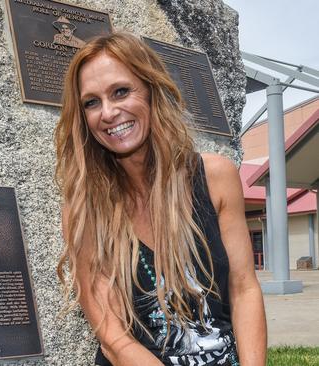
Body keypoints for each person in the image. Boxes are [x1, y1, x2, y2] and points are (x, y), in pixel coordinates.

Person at [54, 32, 266, 365]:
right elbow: (112, 336)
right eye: (91, 102)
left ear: (152, 91)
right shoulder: (84, 211)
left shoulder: (215, 178)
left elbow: (244, 289)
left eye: (121, 91)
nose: (108, 112)